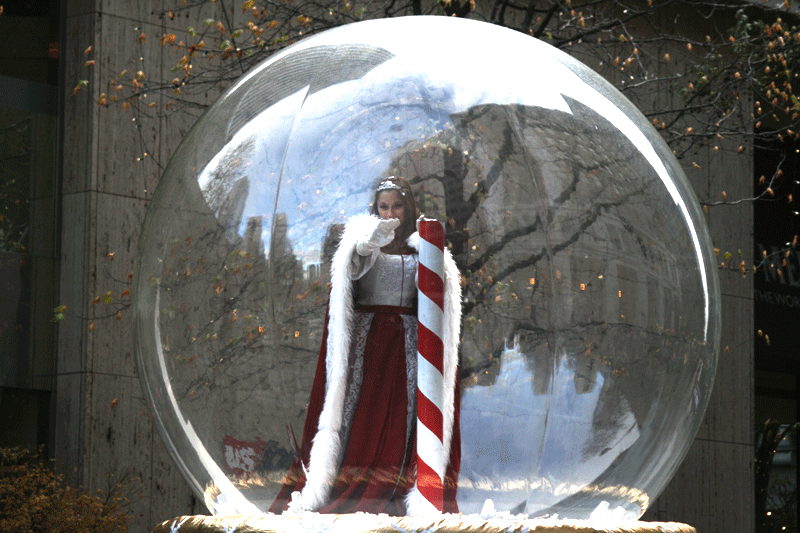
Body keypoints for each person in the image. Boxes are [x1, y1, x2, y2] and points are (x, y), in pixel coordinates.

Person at [268, 176, 462, 515]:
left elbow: (436, 294)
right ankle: (355, 487)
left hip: (408, 346)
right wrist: (368, 242)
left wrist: (432, 261)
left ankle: (397, 489)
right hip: (370, 345)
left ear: (408, 207)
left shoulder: (425, 249)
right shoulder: (365, 242)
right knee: (363, 414)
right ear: (375, 209)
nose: (390, 213)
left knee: (405, 417)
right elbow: (354, 262)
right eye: (383, 206)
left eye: (397, 206)